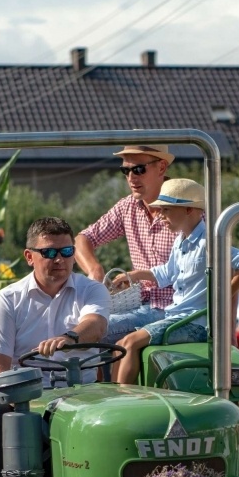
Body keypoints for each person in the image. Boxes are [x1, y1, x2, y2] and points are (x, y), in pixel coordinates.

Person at [0, 217, 111, 477]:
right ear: (29, 256)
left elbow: (95, 325)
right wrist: (10, 394)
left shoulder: (91, 290)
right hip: (27, 396)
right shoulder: (8, 300)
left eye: (66, 251)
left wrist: (70, 338)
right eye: (49, 252)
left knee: (116, 428)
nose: (60, 259)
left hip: (83, 392)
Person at [110, 179, 239, 385]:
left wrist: (221, 297)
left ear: (189, 210)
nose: (160, 216)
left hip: (193, 323)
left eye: (166, 210)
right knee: (121, 344)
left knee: (131, 342)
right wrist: (134, 275)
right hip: (177, 317)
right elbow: (167, 273)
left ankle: (125, 398)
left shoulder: (209, 242)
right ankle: (116, 395)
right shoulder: (180, 241)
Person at [75, 143, 177, 340]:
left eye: (139, 169)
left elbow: (222, 268)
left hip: (174, 310)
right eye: (125, 170)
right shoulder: (128, 206)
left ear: (162, 167)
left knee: (90, 332)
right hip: (138, 306)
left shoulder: (185, 209)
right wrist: (94, 270)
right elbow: (83, 238)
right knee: (76, 323)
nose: (131, 177)